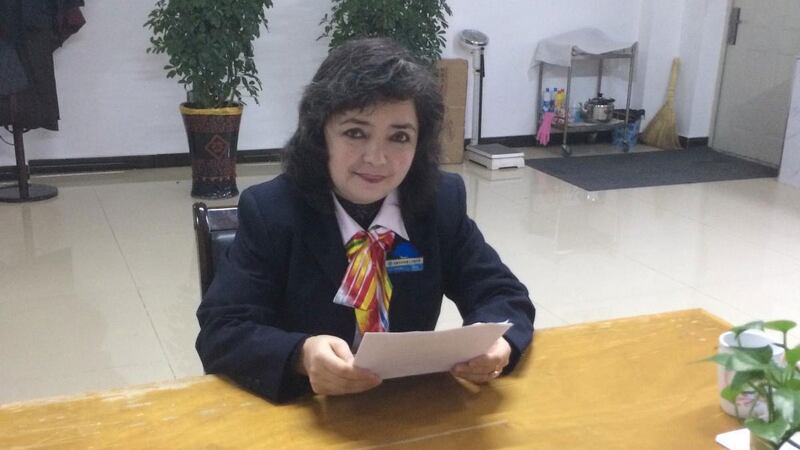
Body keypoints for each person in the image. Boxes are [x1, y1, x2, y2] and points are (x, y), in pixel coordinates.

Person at [196, 37, 535, 403]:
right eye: (355, 132)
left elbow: (502, 294)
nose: (376, 158)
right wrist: (300, 355)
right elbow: (221, 330)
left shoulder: (438, 202)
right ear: (319, 133)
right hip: (306, 411)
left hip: (405, 407)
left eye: (399, 137)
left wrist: (497, 345)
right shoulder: (273, 211)